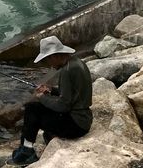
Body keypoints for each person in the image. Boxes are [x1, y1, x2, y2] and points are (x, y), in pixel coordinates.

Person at [7, 35, 93, 166]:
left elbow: (63, 106)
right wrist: (51, 90)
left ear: (55, 56)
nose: (48, 64)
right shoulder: (76, 63)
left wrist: (42, 98)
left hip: (76, 125)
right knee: (35, 108)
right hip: (84, 119)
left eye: (47, 60)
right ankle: (29, 147)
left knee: (32, 109)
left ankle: (26, 152)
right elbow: (74, 94)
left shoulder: (67, 71)